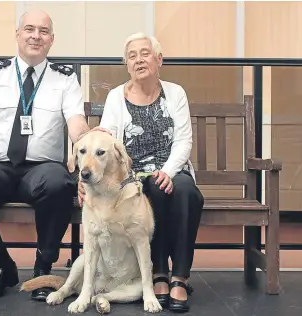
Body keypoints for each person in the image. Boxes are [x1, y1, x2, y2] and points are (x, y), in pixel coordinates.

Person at [0, 9, 93, 302]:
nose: (36, 36)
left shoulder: (65, 79)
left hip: (42, 168)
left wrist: (88, 147)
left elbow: (78, 127)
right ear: (17, 34)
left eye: (44, 31)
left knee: (59, 183)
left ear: (52, 40)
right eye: (29, 29)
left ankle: (43, 268)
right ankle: (2, 265)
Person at [78, 32, 204, 313]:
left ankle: (180, 277)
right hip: (131, 177)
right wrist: (87, 173)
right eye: (132, 56)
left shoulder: (176, 93)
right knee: (150, 191)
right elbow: (107, 138)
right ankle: (158, 274)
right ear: (126, 64)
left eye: (145, 53)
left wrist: (169, 171)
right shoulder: (115, 97)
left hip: (173, 169)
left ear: (159, 59)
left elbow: (184, 140)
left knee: (187, 193)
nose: (139, 60)